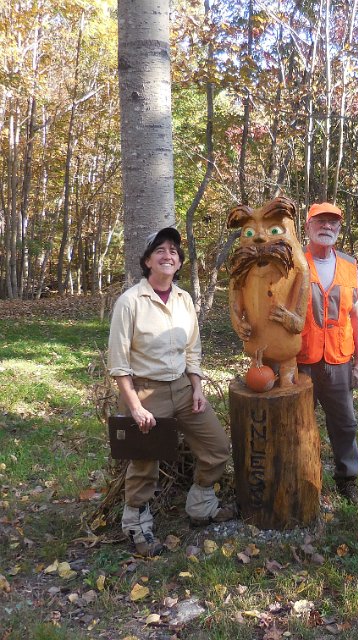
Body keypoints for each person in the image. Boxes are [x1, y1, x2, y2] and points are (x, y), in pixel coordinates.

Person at [108, 227, 233, 557]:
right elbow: (119, 363)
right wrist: (135, 406)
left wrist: (197, 387)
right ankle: (136, 525)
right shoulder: (130, 302)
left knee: (217, 446)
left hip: (182, 387)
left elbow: (192, 349)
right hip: (147, 392)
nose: (168, 255)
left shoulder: (184, 299)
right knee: (144, 461)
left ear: (179, 263)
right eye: (160, 250)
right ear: (148, 260)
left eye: (174, 251)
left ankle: (201, 505)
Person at [297, 202, 358, 503]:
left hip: (339, 360)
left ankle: (347, 480)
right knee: (298, 423)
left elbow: (356, 315)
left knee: (345, 423)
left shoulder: (349, 265)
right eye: (320, 221)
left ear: (339, 228)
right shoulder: (293, 261)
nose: (326, 227)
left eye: (333, 222)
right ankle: (299, 477)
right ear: (308, 225)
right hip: (300, 360)